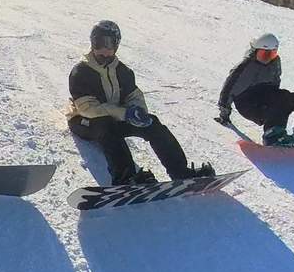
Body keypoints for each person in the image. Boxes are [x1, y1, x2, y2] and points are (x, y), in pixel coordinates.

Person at [67, 20, 215, 185]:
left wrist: (138, 111)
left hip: (114, 118)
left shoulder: (122, 71)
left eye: (108, 45)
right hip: (83, 121)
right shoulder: (81, 72)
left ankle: (180, 172)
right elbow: (88, 109)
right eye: (98, 43)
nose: (103, 50)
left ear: (116, 46)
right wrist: (124, 113)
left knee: (152, 123)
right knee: (106, 124)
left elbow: (134, 95)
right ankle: (125, 178)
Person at [217, 33, 294, 146]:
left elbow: (276, 84)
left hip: (267, 98)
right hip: (248, 104)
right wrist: (224, 112)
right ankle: (273, 135)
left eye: (272, 54)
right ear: (255, 51)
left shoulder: (274, 62)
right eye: (264, 54)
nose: (267, 59)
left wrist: (282, 104)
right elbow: (229, 88)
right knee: (281, 97)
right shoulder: (246, 66)